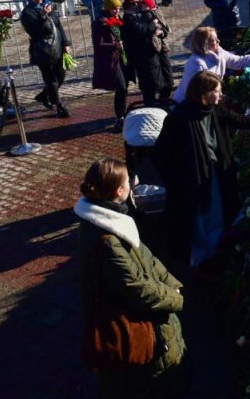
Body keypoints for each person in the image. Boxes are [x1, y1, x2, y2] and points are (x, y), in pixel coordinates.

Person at [75, 158, 189, 399]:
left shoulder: (109, 221)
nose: (132, 183)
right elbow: (135, 287)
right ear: (119, 191)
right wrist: (175, 298)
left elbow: (146, 257)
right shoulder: (108, 240)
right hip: (132, 332)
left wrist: (172, 284)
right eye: (129, 181)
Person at [153, 70, 250, 267]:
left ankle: (214, 252)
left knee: (215, 213)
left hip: (216, 172)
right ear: (203, 93)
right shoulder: (179, 118)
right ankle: (199, 257)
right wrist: (176, 179)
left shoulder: (215, 110)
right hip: (194, 178)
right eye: (217, 91)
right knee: (198, 217)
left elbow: (242, 121)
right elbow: (161, 152)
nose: (220, 95)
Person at [173, 26, 250, 104]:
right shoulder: (197, 64)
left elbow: (238, 61)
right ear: (205, 44)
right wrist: (218, 97)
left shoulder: (219, 52)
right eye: (214, 40)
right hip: (186, 104)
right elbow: (197, 93)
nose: (218, 41)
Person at [20, 0, 72, 118]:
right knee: (51, 79)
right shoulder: (27, 13)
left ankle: (43, 95)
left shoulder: (48, 6)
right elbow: (34, 32)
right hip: (42, 50)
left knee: (61, 76)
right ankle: (59, 106)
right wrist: (42, 16)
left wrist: (66, 43)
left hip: (57, 46)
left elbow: (58, 26)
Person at [122, 0, 170, 106]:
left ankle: (162, 101)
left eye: (138, 2)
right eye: (133, 3)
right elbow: (140, 31)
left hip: (154, 50)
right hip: (141, 54)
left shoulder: (142, 12)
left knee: (162, 79)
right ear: (128, 4)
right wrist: (151, 26)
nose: (136, 5)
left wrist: (161, 32)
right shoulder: (128, 17)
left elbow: (162, 25)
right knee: (148, 83)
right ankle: (151, 104)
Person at [92, 0, 129, 130]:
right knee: (121, 87)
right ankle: (119, 117)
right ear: (107, 8)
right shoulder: (100, 23)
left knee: (124, 87)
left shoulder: (117, 19)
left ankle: (123, 113)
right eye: (114, 8)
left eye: (118, 8)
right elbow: (98, 45)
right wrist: (115, 46)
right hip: (110, 60)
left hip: (120, 57)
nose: (117, 11)